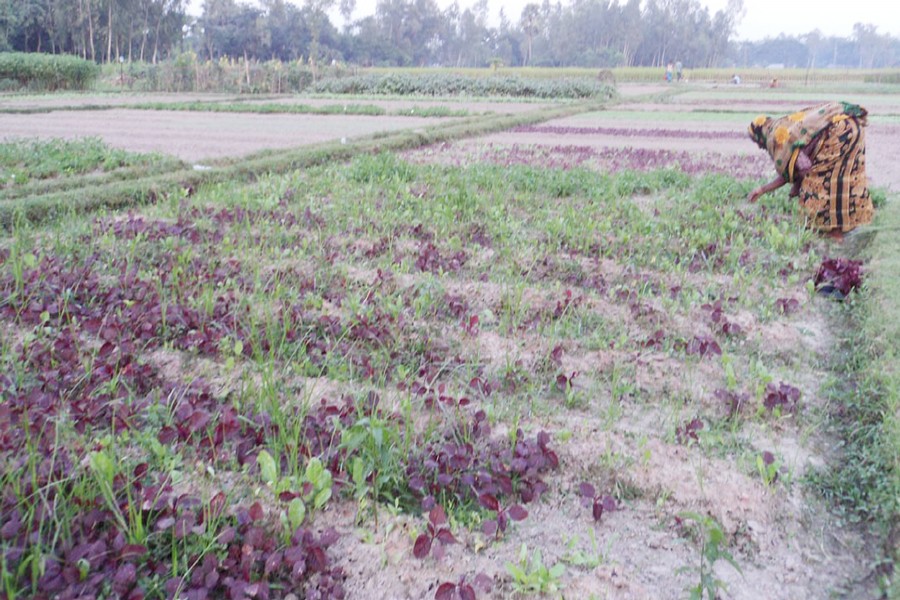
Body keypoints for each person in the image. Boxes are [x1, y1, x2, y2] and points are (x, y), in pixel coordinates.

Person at [747, 102, 874, 238]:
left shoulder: (778, 137)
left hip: (838, 131)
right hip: (854, 125)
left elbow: (804, 167)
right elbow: (794, 165)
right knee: (843, 178)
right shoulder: (784, 124)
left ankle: (831, 232)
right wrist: (768, 189)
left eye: (756, 142)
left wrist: (797, 187)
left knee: (816, 186)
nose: (760, 147)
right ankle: (840, 229)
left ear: (760, 136)